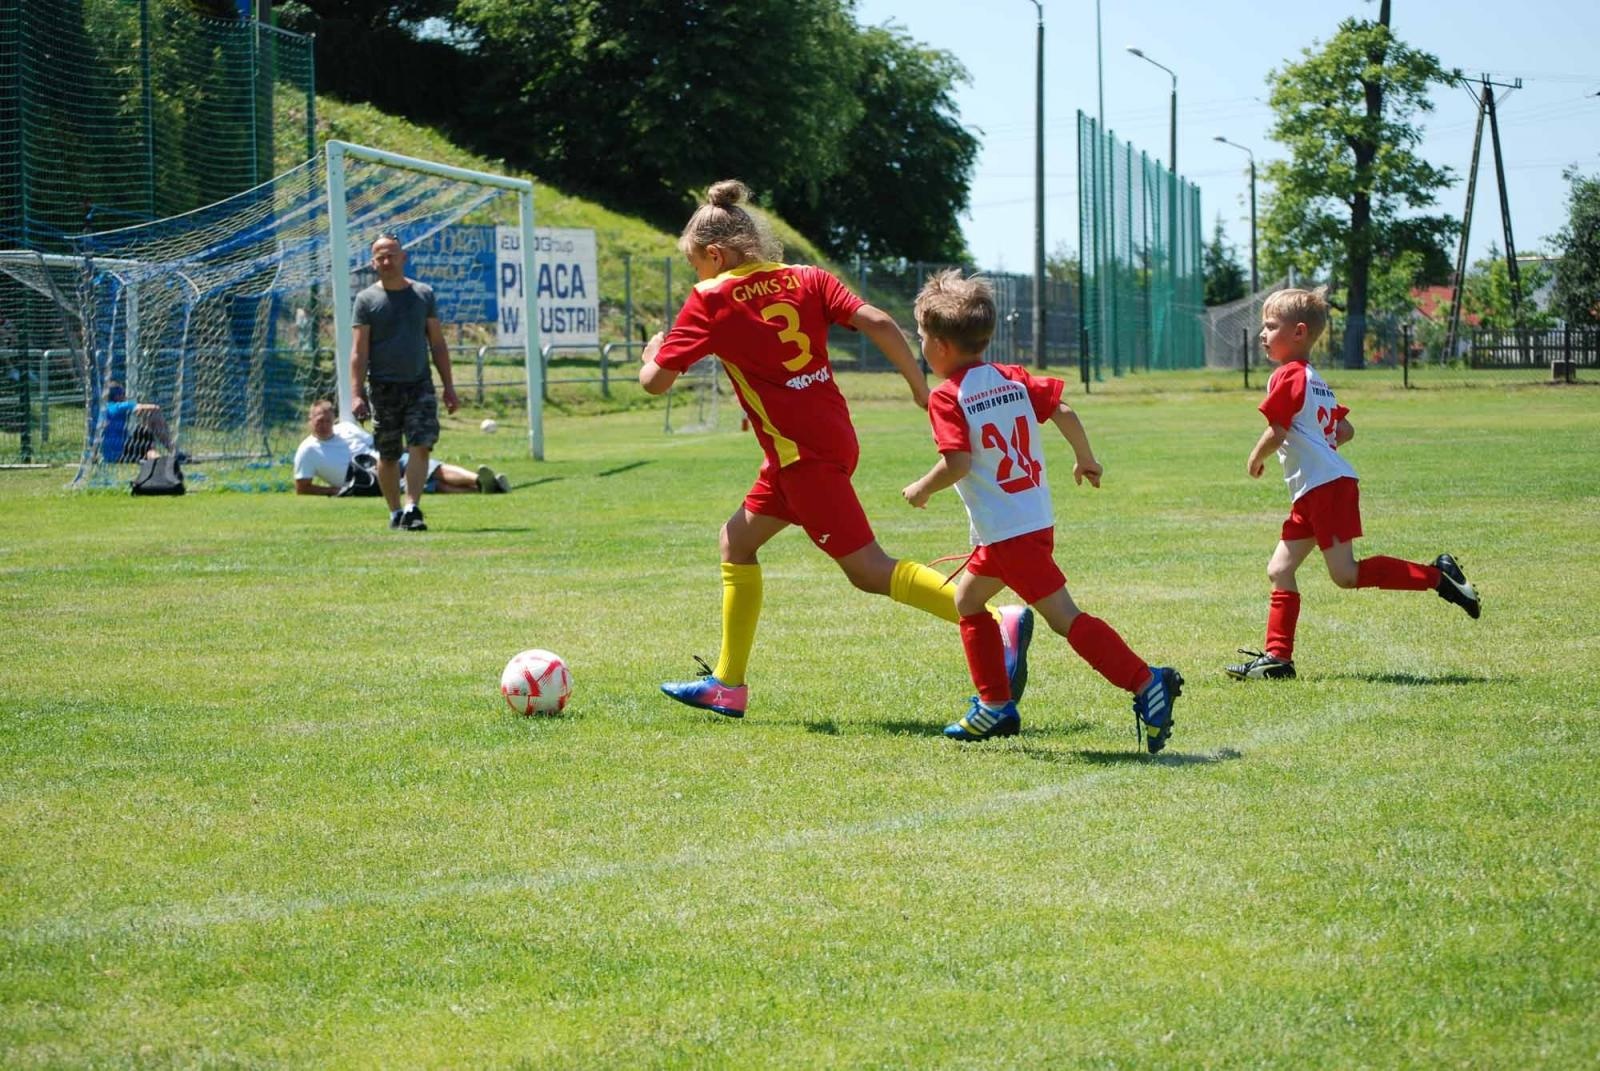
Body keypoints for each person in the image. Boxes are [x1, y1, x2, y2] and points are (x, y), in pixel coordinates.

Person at [638, 180, 1033, 720]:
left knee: (869, 571)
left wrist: (654, 351)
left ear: (715, 254)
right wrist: (920, 388)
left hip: (804, 458)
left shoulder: (710, 298)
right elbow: (877, 320)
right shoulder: (806, 277)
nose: (699, 276)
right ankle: (728, 684)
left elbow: (654, 384)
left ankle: (997, 621)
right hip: (822, 442)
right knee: (736, 541)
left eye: (697, 266)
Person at [902, 270, 1183, 750]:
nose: (921, 347)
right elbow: (1064, 410)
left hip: (1009, 532)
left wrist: (922, 489)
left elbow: (957, 462)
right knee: (968, 602)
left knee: (1064, 618)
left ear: (942, 346)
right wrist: (1085, 458)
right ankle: (995, 706)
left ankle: (1144, 680)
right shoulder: (1010, 376)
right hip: (1027, 521)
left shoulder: (947, 396)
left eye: (923, 338)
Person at [1227, 287, 1480, 681]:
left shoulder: (1289, 374)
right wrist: (1319, 447)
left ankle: (1437, 577)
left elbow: (1277, 430)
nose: (1262, 333)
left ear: (1298, 332)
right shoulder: (1316, 379)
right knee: (1280, 568)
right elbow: (1344, 429)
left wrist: (1254, 456)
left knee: (1345, 575)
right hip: (1316, 488)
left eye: (1270, 326)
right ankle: (1278, 659)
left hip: (1325, 487)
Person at [349, 232, 460, 531]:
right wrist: (357, 394)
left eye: (391, 255)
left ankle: (412, 507)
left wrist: (449, 386)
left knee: (420, 444)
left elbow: (437, 343)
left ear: (403, 257)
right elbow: (359, 351)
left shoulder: (423, 294)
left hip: (419, 384)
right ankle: (395, 511)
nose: (386, 261)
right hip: (384, 387)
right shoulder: (366, 300)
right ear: (373, 263)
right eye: (380, 256)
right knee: (387, 454)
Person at [293, 399, 509, 497]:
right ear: (310, 420)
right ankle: (483, 489)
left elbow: (375, 443)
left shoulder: (347, 428)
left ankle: (480, 480)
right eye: (318, 421)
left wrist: (405, 449)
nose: (323, 425)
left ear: (334, 419)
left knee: (433, 468)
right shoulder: (308, 449)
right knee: (432, 486)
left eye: (327, 420)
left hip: (385, 459)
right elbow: (302, 487)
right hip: (365, 480)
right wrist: (331, 490)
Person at [99, 381, 173, 463]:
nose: (125, 396)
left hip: (106, 456)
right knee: (149, 423)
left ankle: (160, 458)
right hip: (122, 453)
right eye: (123, 394)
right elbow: (154, 408)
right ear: (117, 396)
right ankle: (171, 450)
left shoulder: (102, 409)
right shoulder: (120, 406)